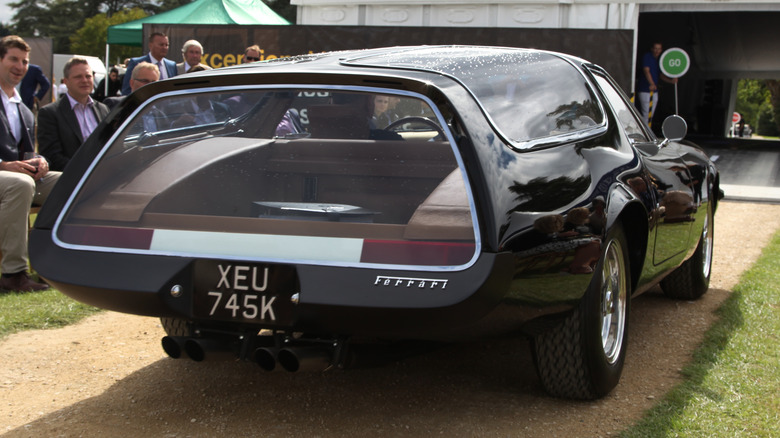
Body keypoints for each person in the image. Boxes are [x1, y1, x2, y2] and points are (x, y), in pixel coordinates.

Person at [0, 35, 61, 292]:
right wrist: (3, 166)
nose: (20, 66)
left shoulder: (23, 108)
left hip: (17, 177)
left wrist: (41, 161)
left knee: (67, 182)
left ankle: (51, 266)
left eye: (24, 61)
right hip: (8, 178)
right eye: (13, 59)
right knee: (21, 184)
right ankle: (12, 274)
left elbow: (27, 153)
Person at [37, 56, 110, 171]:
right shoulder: (50, 113)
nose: (84, 80)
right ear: (66, 82)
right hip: (73, 180)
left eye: (88, 76)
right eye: (78, 77)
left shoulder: (103, 109)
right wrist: (87, 172)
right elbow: (52, 157)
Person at [637, 42, 678, 128]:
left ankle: (647, 130)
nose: (657, 51)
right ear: (652, 49)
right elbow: (646, 71)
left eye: (659, 49)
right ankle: (645, 132)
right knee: (646, 113)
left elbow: (660, 75)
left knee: (650, 114)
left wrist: (671, 81)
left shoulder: (658, 60)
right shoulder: (647, 57)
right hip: (645, 89)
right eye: (655, 48)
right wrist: (652, 83)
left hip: (654, 90)